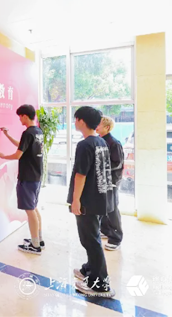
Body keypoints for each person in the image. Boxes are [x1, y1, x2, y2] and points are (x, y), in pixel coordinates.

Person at [68, 106, 115, 297]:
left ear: (81, 121)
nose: (74, 122)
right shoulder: (101, 142)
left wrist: (76, 200)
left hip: (87, 201)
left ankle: (100, 285)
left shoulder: (85, 145)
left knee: (91, 240)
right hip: (99, 199)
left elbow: (81, 175)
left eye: (75, 119)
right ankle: (90, 269)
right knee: (91, 237)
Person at [0, 104, 45, 255]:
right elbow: (23, 146)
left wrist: (3, 156)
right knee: (33, 208)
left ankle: (35, 245)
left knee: (30, 210)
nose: (19, 120)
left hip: (28, 177)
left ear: (24, 116)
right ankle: (38, 239)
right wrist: (7, 135)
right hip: (36, 176)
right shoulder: (37, 132)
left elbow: (18, 154)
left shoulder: (28, 132)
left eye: (20, 117)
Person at [96, 116, 125, 251]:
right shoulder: (99, 141)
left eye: (99, 124)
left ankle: (116, 238)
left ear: (107, 127)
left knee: (112, 209)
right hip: (101, 179)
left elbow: (117, 163)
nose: (96, 126)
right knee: (103, 207)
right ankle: (106, 230)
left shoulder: (114, 143)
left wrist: (100, 166)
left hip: (112, 180)